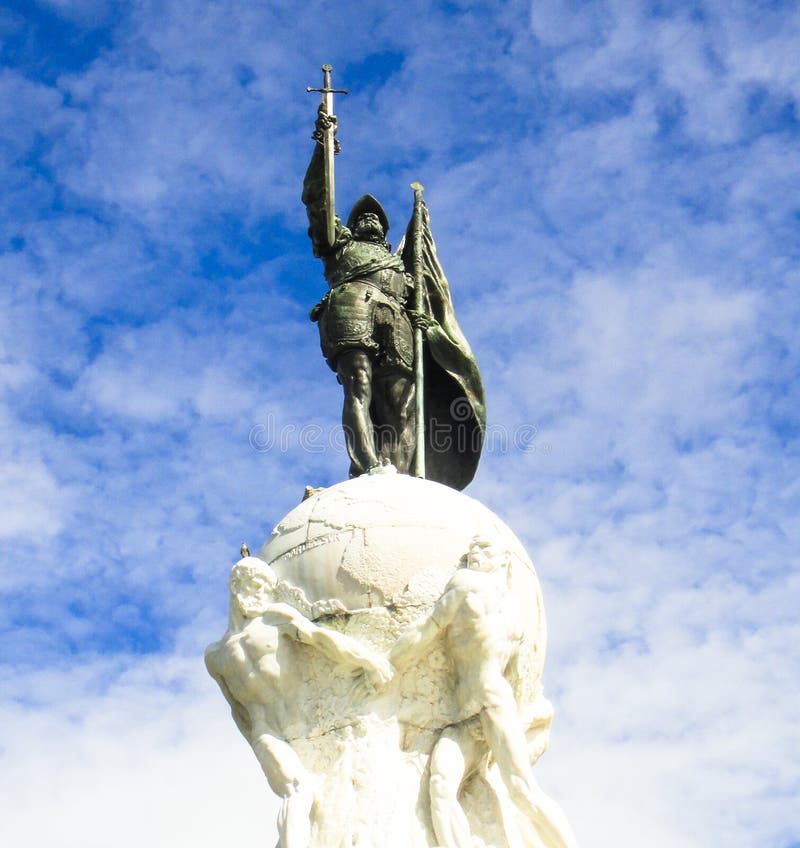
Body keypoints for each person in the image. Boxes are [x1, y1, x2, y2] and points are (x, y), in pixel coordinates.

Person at [302, 109, 486, 489]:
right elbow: (318, 201)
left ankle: (397, 472)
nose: (370, 218)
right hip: (353, 303)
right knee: (359, 384)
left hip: (396, 319)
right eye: (363, 216)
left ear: (385, 232)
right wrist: (323, 150)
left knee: (401, 406)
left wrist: (427, 325)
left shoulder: (403, 267)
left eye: (376, 218)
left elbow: (426, 305)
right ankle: (366, 464)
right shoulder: (339, 246)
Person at [390, 537, 578, 848]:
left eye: (485, 550)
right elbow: (519, 678)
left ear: (504, 560)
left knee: (522, 789)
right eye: (473, 550)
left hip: (491, 705)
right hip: (467, 717)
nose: (475, 554)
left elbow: (426, 631)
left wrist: (387, 665)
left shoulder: (466, 584)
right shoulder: (514, 613)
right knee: (440, 786)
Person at [205, 556, 393, 848]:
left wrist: (368, 660)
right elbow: (237, 711)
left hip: (312, 724)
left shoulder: (274, 617)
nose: (260, 594)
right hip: (268, 733)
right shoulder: (215, 656)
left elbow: (322, 639)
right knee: (298, 789)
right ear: (235, 586)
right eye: (254, 586)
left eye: (266, 588)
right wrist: (256, 739)